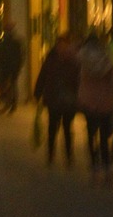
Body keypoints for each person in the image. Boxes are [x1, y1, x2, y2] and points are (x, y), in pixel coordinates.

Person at [77, 30, 113, 176]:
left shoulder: (82, 59)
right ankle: (107, 164)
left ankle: (94, 164)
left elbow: (77, 79)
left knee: (91, 133)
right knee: (104, 135)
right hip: (105, 101)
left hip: (88, 100)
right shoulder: (107, 58)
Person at [33, 32, 79, 166]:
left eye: (64, 45)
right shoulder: (51, 59)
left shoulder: (73, 61)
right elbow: (43, 76)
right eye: (60, 45)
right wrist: (37, 93)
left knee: (67, 128)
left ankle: (69, 156)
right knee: (52, 127)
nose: (62, 48)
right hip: (53, 98)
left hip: (68, 99)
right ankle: (51, 154)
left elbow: (78, 80)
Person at [0, 22, 24, 114]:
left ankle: (10, 104)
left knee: (9, 86)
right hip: (11, 67)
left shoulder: (7, 42)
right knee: (11, 86)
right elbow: (20, 56)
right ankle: (11, 104)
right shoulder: (16, 42)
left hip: (8, 67)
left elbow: (3, 55)